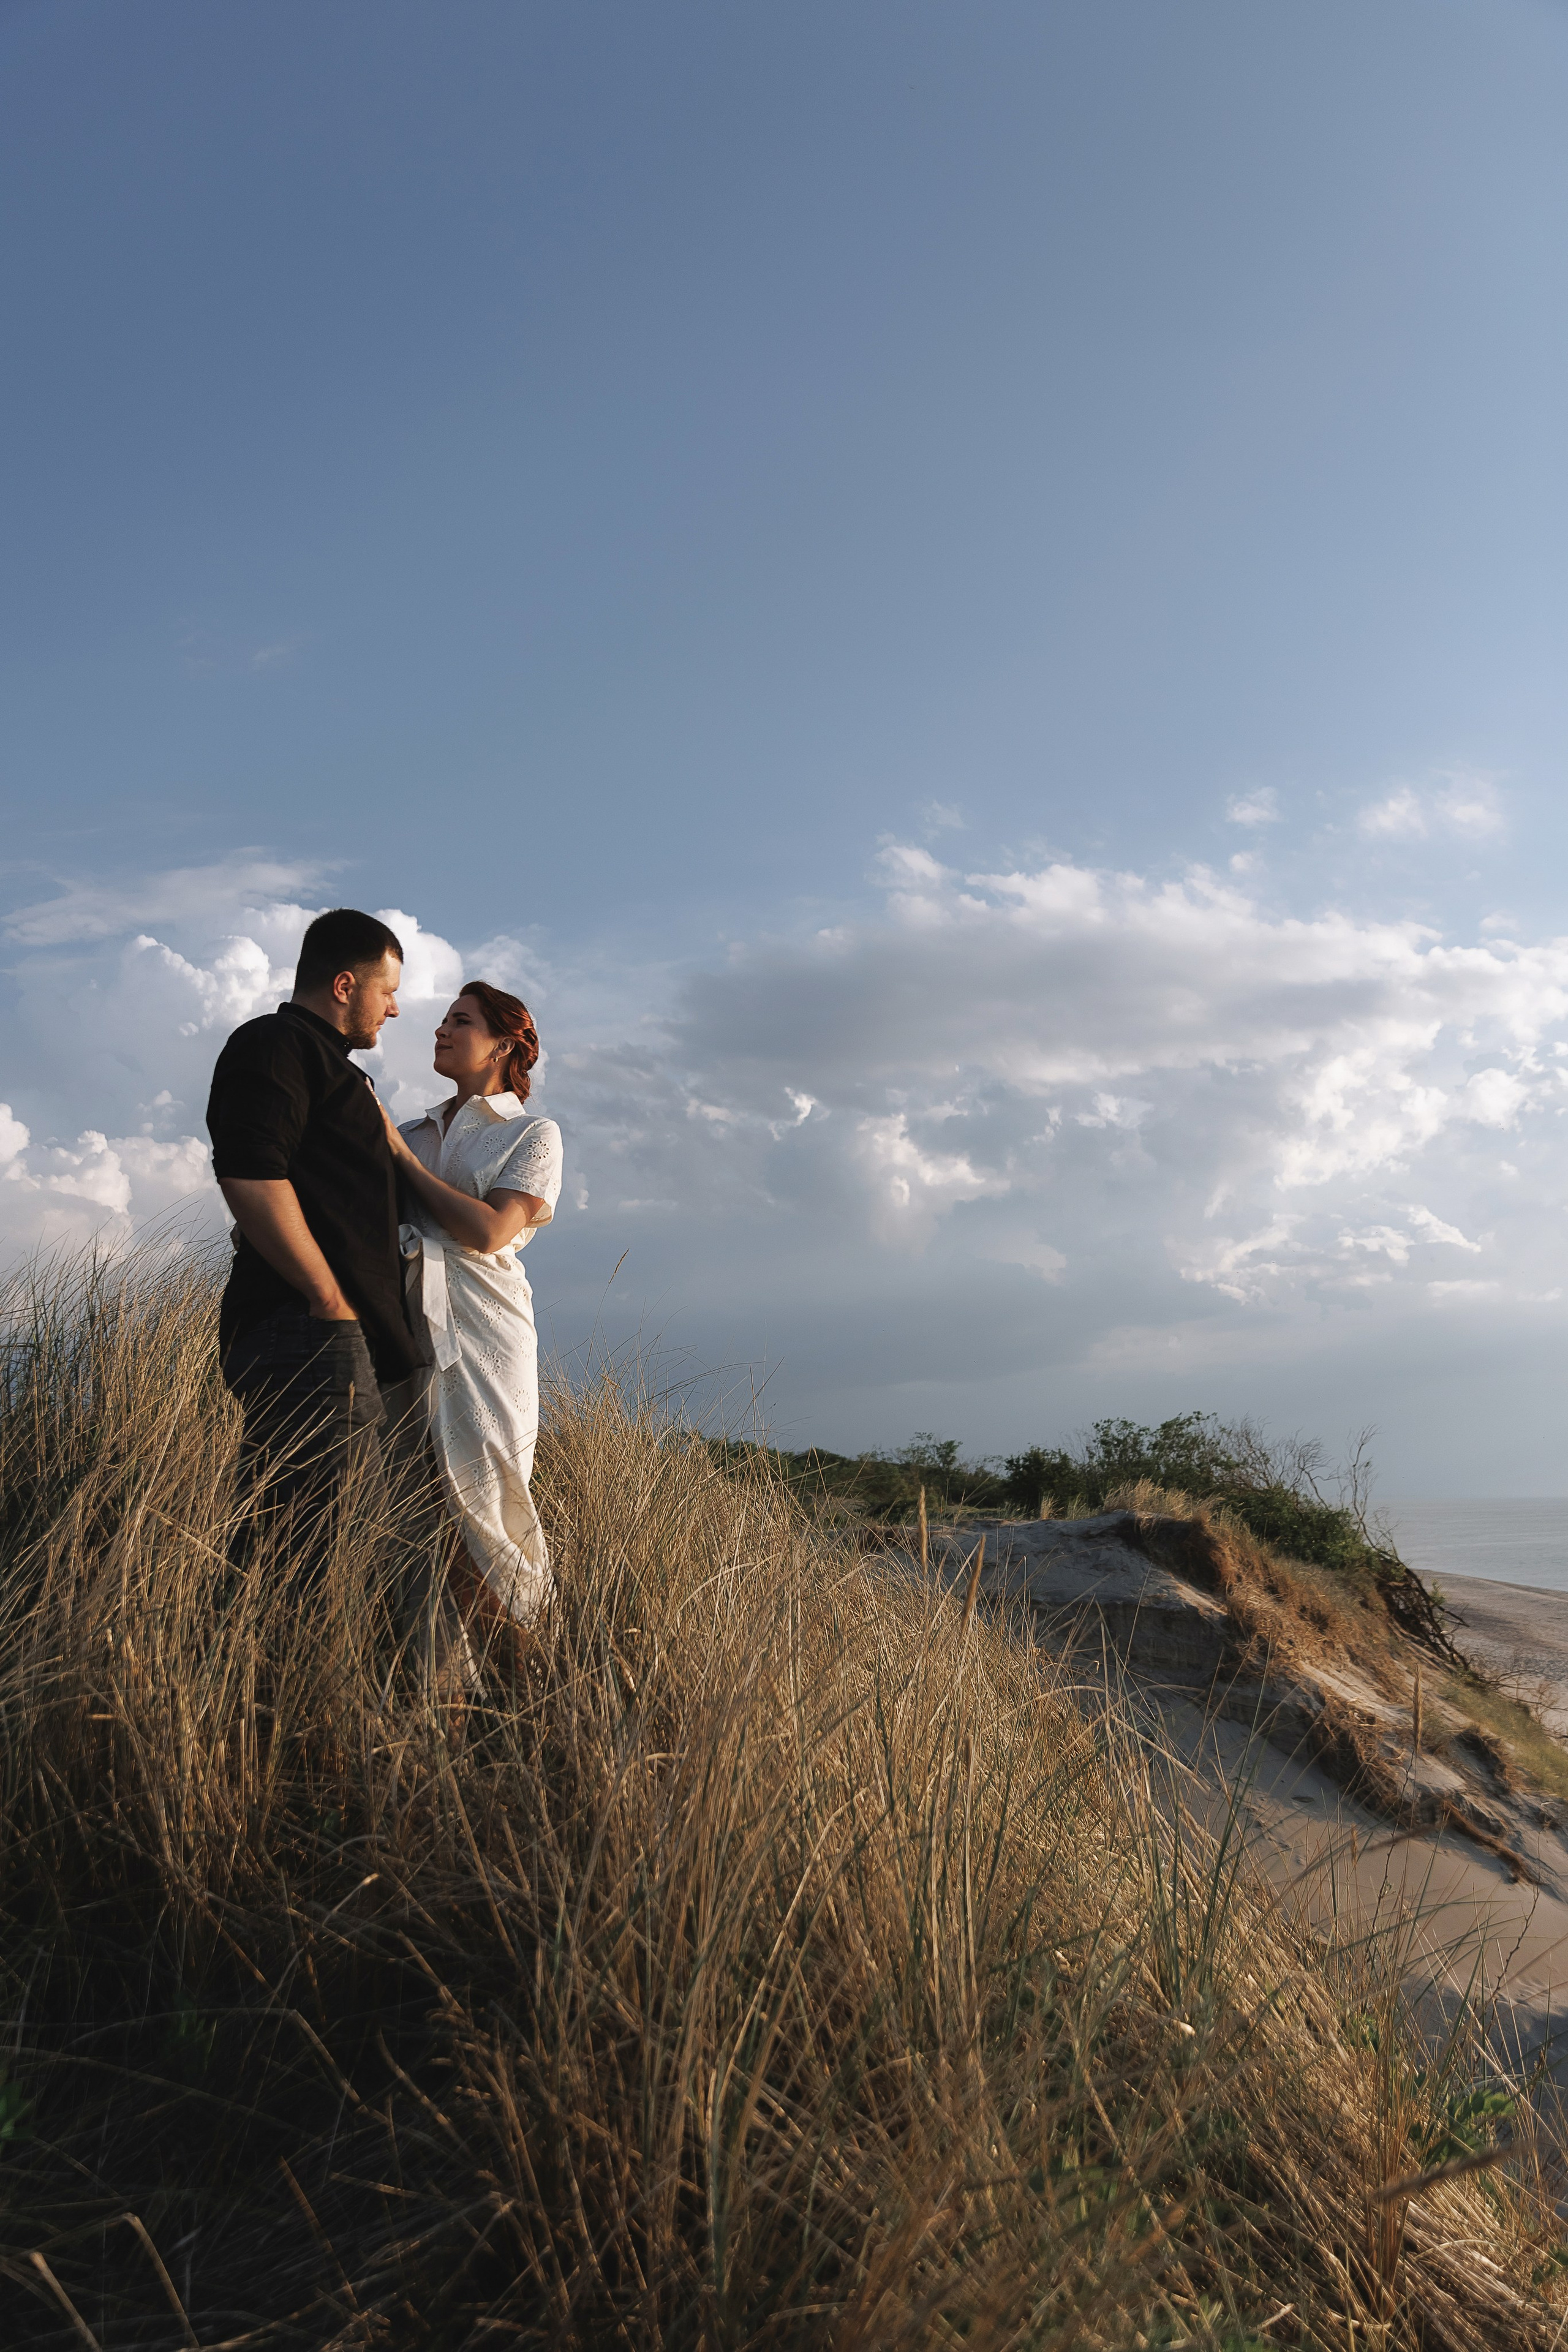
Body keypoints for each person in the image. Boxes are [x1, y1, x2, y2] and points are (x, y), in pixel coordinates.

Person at [206, 907, 423, 1581]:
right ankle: (269, 1684)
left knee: (312, 1544)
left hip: (329, 1337)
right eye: (386, 992)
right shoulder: (276, 1044)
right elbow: (249, 1170)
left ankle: (259, 1680)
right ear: (343, 984)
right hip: (306, 1334)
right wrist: (326, 1297)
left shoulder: (337, 1071)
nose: (392, 1011)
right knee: (305, 1554)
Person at [379, 981, 562, 1662]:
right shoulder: (411, 1132)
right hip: (409, 1332)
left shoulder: (531, 1134)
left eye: (461, 1021)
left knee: (486, 1510)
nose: (441, 1030)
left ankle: (538, 1685)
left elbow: (488, 1232)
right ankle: (448, 1702)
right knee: (416, 1510)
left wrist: (398, 1163)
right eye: (443, 1020)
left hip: (489, 1331)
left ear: (506, 1044)